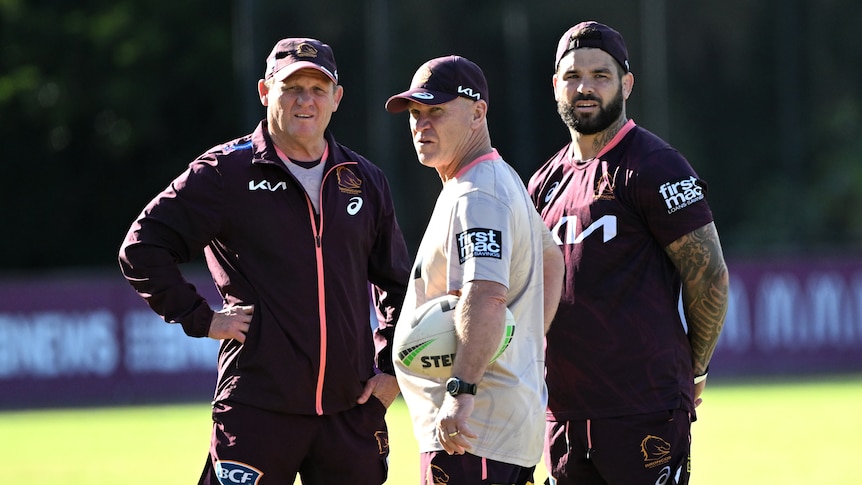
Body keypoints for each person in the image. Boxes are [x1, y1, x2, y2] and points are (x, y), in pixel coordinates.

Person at [118, 37, 411, 485]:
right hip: (257, 407)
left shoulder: (364, 180)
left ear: (337, 98)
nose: (305, 100)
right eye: (292, 87)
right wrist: (201, 318)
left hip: (350, 411)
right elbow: (142, 246)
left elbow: (396, 283)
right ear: (264, 91)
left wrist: (390, 368)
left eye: (317, 88)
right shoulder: (225, 173)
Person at [527, 21, 730, 485]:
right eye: (573, 76)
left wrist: (693, 369)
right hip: (565, 417)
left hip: (645, 412)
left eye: (601, 75)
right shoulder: (542, 182)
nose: (585, 87)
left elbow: (710, 276)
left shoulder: (655, 165)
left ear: (626, 84)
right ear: (555, 85)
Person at [385, 55, 565, 485]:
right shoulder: (497, 179)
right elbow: (553, 260)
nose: (421, 125)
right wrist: (520, 342)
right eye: (415, 113)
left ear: (478, 112)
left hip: (471, 436)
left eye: (436, 111)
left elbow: (485, 294)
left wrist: (460, 393)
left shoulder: (476, 192)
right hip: (495, 432)